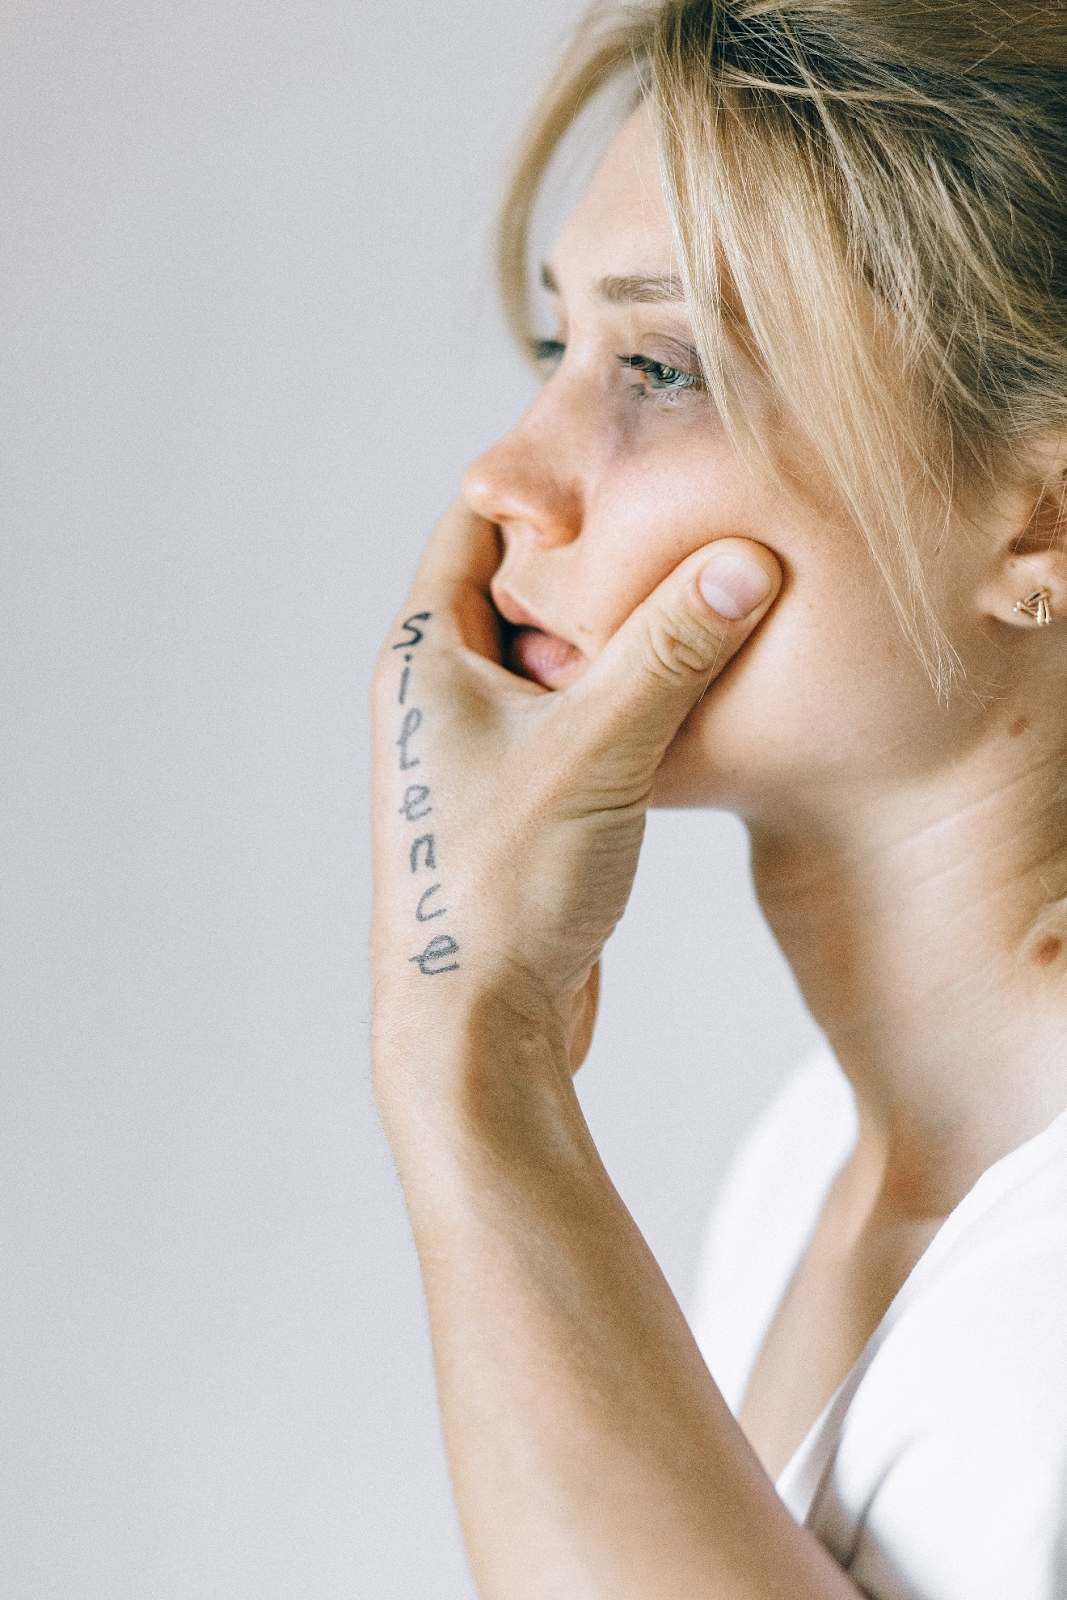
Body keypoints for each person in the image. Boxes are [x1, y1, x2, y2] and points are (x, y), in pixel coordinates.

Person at [370, 2, 1067, 1594]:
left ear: (1043, 512)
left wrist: (470, 1048)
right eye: (557, 348)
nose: (505, 478)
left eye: (661, 368)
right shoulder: (809, 1159)